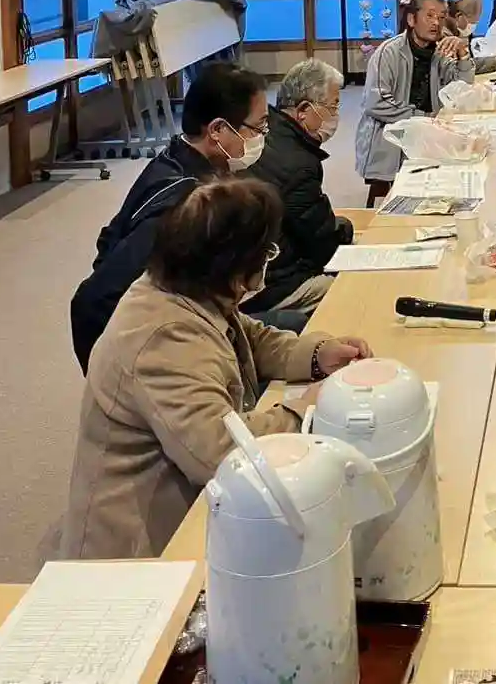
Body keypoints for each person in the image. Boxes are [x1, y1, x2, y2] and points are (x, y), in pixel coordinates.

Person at [62, 176, 372, 560]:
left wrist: (317, 354)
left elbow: (247, 338)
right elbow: (221, 453)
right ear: (232, 267)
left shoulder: (186, 287)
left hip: (192, 509)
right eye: (265, 253)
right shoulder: (162, 337)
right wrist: (302, 411)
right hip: (142, 555)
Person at [70, 62, 275, 374]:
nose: (261, 138)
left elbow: (109, 239)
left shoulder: (175, 159)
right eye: (257, 129)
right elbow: (96, 299)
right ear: (217, 130)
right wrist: (116, 369)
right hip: (157, 343)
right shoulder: (185, 204)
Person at [243, 59, 354, 322]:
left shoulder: (263, 132)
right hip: (269, 283)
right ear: (304, 110)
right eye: (333, 106)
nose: (336, 115)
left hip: (255, 263)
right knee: (351, 291)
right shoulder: (298, 164)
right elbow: (321, 246)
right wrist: (344, 233)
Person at [355, 0, 476, 204]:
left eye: (441, 17)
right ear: (411, 19)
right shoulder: (389, 52)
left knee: (471, 162)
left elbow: (462, 91)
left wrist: (463, 54)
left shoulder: (440, 50)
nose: (436, 23)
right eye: (429, 16)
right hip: (392, 136)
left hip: (430, 132)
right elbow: (376, 102)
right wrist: (423, 117)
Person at [447, 0, 496, 75]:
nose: (472, 27)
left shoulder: (451, 33)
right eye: (472, 23)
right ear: (459, 16)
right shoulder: (445, 37)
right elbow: (462, 66)